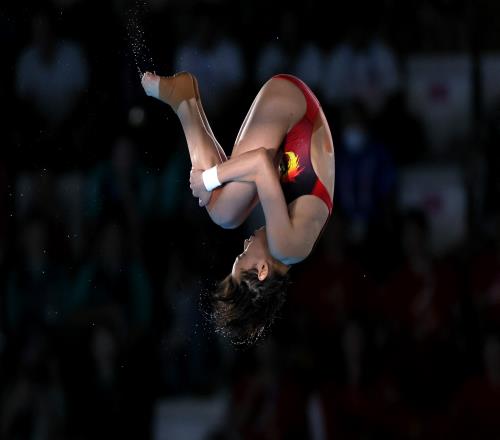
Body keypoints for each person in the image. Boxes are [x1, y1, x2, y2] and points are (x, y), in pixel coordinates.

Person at [141, 70, 335, 344]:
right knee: (222, 212)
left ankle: (185, 100)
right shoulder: (285, 247)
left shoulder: (292, 251)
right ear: (262, 271)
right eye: (243, 255)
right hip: (293, 105)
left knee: (228, 215)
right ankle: (182, 100)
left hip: (296, 114)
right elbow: (260, 163)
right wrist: (208, 180)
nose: (244, 243)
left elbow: (266, 169)